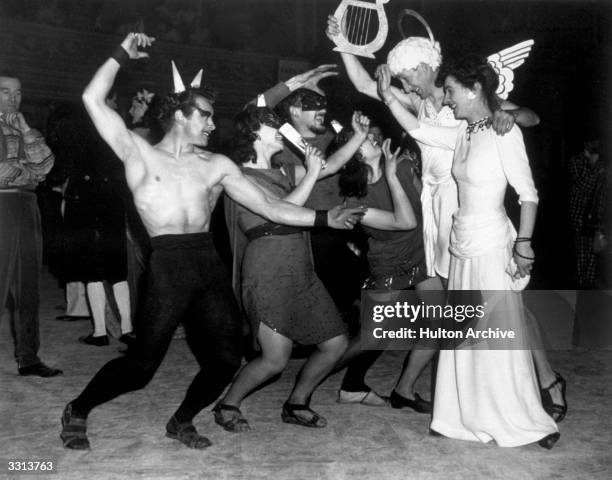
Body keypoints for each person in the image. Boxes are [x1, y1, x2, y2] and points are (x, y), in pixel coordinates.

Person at [60, 32, 364, 451]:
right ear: (180, 115)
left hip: (207, 263)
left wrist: (326, 217)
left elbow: (271, 208)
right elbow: (93, 99)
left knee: (224, 361)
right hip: (167, 263)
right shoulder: (138, 152)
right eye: (204, 115)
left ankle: (182, 419)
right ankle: (78, 409)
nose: (212, 123)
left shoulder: (217, 164)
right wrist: (121, 55)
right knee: (142, 365)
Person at [327, 15, 566, 421]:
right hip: (436, 208)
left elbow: (531, 117)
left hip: (471, 203)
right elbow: (370, 87)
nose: (405, 85)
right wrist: (344, 46)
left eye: (408, 78)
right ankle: (428, 389)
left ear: (425, 68)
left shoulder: (471, 98)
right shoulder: (420, 103)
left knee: (507, 305)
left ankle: (545, 380)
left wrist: (509, 116)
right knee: (454, 308)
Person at [381, 54, 560, 448]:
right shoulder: (464, 132)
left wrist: (524, 245)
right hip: (461, 245)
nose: (446, 100)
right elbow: (422, 130)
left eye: (450, 91)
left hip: (492, 244)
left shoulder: (503, 130)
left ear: (474, 88)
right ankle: (462, 416)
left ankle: (523, 420)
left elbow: (528, 194)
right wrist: (388, 98)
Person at [214, 106, 369, 431]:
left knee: (336, 343)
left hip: (300, 269)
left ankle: (297, 401)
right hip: (267, 270)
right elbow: (279, 210)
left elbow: (332, 166)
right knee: (275, 359)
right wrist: (312, 173)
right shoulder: (238, 177)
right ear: (254, 132)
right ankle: (228, 403)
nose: (281, 131)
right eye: (273, 126)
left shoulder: (283, 172)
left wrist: (359, 136)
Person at [0, 70, 62, 378]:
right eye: (5, 92)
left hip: (27, 206)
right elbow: (16, 172)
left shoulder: (28, 130)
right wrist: (25, 169)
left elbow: (46, 167)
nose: (13, 98)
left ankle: (28, 357)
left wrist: (25, 131)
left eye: (18, 92)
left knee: (28, 287)